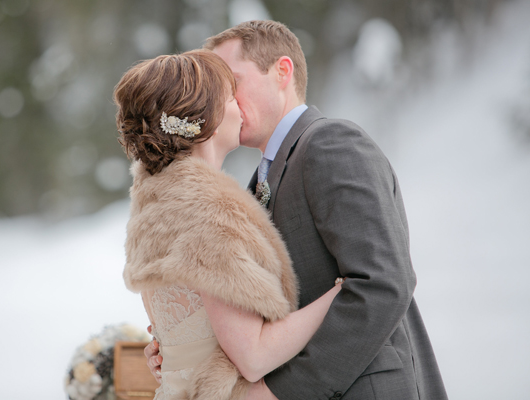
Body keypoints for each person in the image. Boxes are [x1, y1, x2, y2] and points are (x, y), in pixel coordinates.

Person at [146, 21, 449, 400]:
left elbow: (383, 285)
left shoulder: (331, 143)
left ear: (282, 72)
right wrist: (185, 347)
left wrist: (282, 392)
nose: (226, 101)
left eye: (232, 82)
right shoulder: (252, 185)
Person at [114, 50, 344, 400]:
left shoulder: (157, 203)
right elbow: (253, 357)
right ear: (208, 119)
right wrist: (342, 294)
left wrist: (174, 354)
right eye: (229, 96)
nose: (240, 104)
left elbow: (189, 331)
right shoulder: (206, 211)